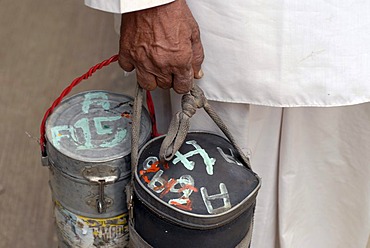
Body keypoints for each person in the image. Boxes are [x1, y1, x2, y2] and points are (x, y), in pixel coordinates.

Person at [84, 1, 370, 247]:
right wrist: (148, 6)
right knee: (196, 226)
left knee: (333, 218)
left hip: (350, 44)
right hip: (219, 37)